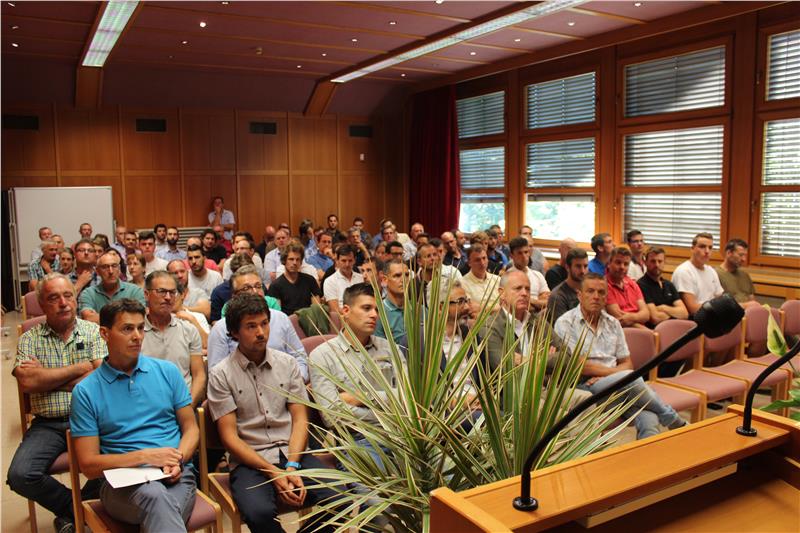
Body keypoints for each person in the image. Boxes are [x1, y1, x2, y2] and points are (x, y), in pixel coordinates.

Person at [207, 293, 344, 533]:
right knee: (259, 512)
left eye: (264, 323)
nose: (261, 332)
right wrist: (274, 473)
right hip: (250, 460)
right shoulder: (221, 374)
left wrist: (290, 466)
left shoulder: (287, 364)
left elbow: (300, 419)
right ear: (235, 332)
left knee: (341, 498)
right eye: (251, 326)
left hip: (292, 453)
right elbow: (229, 438)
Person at [69, 299, 199, 533]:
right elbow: (88, 465)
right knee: (155, 497)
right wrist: (145, 456)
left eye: (141, 328)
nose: (137, 336)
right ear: (104, 334)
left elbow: (191, 428)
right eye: (127, 329)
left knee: (160, 506)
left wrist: (177, 459)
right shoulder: (86, 391)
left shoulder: (168, 372)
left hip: (176, 475)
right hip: (121, 484)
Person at [8, 273, 106, 533]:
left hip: (92, 420)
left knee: (121, 458)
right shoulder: (30, 338)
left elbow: (101, 378)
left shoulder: (93, 331)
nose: (63, 303)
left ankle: (71, 516)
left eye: (67, 296)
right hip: (47, 424)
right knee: (20, 475)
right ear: (42, 303)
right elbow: (28, 382)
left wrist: (47, 379)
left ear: (75, 298)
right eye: (53, 298)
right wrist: (81, 367)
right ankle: (79, 511)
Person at [554, 274, 687, 440]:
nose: (596, 296)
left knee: (648, 416)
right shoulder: (566, 323)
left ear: (606, 297)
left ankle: (648, 453)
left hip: (619, 387)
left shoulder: (613, 323)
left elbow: (627, 363)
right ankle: (672, 418)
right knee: (630, 379)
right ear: (579, 295)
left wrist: (611, 376)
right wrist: (615, 374)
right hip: (586, 389)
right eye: (590, 291)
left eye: (601, 292)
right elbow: (580, 366)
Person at [310, 283, 401, 460]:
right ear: (345, 311)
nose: (374, 315)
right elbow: (332, 415)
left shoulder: (391, 349)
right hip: (360, 440)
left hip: (402, 435)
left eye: (376, 309)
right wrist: (387, 412)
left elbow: (408, 399)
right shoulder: (322, 356)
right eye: (366, 308)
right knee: (377, 477)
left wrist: (358, 397)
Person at [207, 268, 308, 379]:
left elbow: (299, 356)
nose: (255, 292)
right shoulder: (221, 328)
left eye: (258, 286)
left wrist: (298, 380)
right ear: (234, 296)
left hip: (285, 383)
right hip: (242, 385)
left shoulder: (281, 318)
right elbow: (216, 373)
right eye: (246, 288)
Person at [142, 271, 206, 408]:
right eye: (161, 291)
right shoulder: (136, 333)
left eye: (172, 292)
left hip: (185, 403)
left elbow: (199, 375)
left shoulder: (189, 330)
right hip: (146, 407)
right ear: (146, 294)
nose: (168, 297)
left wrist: (189, 406)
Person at [480, 271, 536, 371]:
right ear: (502, 293)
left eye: (528, 289)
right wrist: (542, 361)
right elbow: (504, 370)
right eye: (518, 288)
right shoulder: (490, 327)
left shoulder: (537, 321)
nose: (524, 293)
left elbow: (564, 356)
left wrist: (529, 361)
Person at [79, 251, 146, 323]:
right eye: (105, 267)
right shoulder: (89, 293)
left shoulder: (134, 291)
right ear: (97, 271)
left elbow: (139, 318)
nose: (111, 271)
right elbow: (88, 318)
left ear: (119, 269)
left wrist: (100, 317)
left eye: (114, 266)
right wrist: (125, 318)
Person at [671, 232, 724, 318]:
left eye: (710, 248)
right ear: (692, 249)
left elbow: (721, 300)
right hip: (695, 320)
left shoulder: (711, 271)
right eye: (702, 247)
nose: (707, 251)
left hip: (713, 316)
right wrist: (718, 307)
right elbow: (693, 309)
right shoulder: (684, 271)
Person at [637, 246, 688, 326]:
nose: (657, 265)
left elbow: (684, 313)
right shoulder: (641, 285)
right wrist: (675, 314)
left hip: (674, 328)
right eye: (653, 261)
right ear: (645, 262)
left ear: (664, 262)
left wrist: (663, 308)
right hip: (654, 331)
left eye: (660, 261)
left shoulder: (669, 285)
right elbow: (655, 318)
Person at [267, 242, 322, 316]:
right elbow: (277, 315)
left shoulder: (310, 280)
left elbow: (317, 310)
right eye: (291, 259)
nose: (295, 263)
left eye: (298, 259)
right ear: (284, 260)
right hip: (287, 321)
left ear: (301, 262)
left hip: (309, 320)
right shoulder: (275, 286)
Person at [605, 246, 650, 328]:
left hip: (641, 330)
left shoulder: (632, 283)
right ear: (609, 264)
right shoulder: (604, 285)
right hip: (621, 331)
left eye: (626, 264)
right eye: (618, 263)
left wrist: (631, 317)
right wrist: (649, 332)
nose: (622, 267)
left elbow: (646, 315)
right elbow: (621, 320)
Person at [505, 237, 549, 312]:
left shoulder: (537, 275)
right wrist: (538, 302)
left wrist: (530, 301)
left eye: (526, 252)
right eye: (519, 253)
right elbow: (512, 306)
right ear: (511, 256)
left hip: (539, 315)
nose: (524, 256)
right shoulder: (507, 277)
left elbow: (548, 302)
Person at [546, 247, 588, 323]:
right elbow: (563, 327)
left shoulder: (591, 291)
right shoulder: (557, 296)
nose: (583, 271)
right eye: (578, 266)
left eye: (585, 266)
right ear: (567, 267)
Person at [715, 238, 759, 308]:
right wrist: (745, 306)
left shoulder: (744, 275)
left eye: (745, 255)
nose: (744, 259)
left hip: (749, 312)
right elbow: (718, 306)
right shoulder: (715, 275)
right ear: (728, 253)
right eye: (741, 255)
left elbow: (752, 299)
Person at [374, 259, 408, 344]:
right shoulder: (378, 313)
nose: (403, 279)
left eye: (407, 275)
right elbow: (379, 347)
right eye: (397, 275)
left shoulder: (421, 310)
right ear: (384, 280)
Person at [323, 245, 364, 315]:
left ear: (354, 260)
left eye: (350, 260)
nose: (347, 264)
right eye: (343, 261)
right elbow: (335, 310)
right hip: (343, 318)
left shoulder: (361, 278)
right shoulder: (329, 281)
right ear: (337, 261)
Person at [460, 244, 501, 313]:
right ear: (469, 263)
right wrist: (498, 308)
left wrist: (481, 308)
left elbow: (506, 304)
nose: (482, 263)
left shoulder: (497, 280)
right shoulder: (462, 284)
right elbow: (472, 309)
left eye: (484, 258)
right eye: (477, 260)